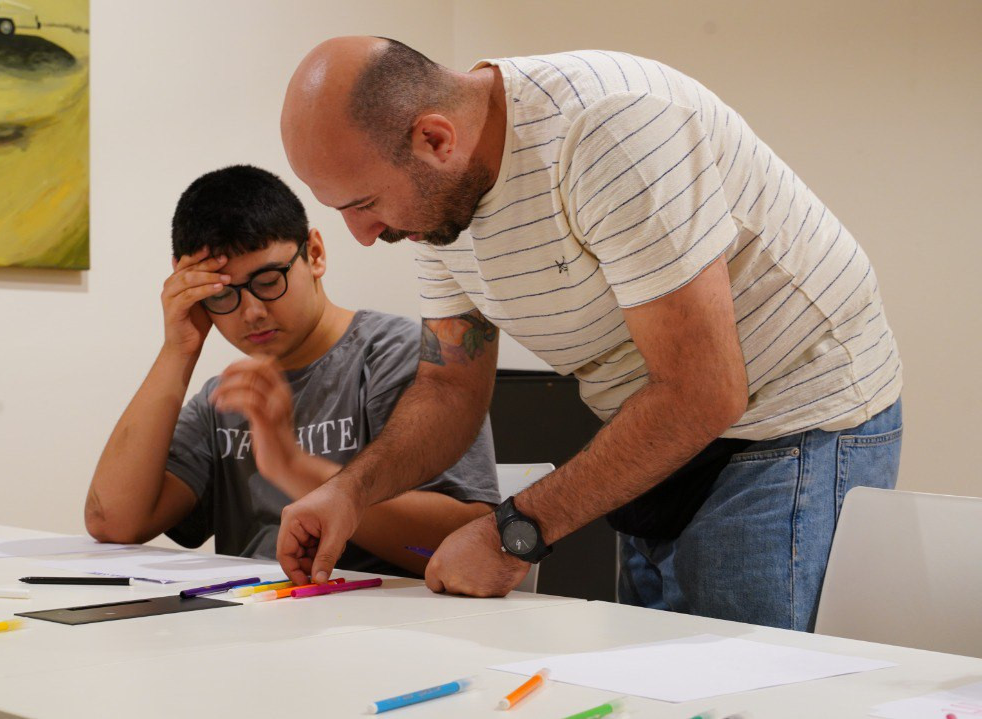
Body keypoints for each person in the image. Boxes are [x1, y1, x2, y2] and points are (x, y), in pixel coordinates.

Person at [275, 38, 902, 630]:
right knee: (659, 680)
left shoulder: (607, 131)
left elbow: (703, 391)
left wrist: (512, 534)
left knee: (743, 683)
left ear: (435, 138)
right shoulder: (441, 202)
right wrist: (350, 493)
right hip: (660, 431)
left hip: (790, 416)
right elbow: (448, 387)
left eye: (363, 204)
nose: (363, 235)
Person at [84, 165, 498, 577]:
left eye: (268, 280)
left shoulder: (399, 356)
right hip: (251, 610)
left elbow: (468, 543)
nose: (251, 312)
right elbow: (112, 521)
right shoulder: (226, 397)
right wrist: (178, 349)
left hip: (373, 612)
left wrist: (291, 466)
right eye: (222, 294)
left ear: (314, 254)